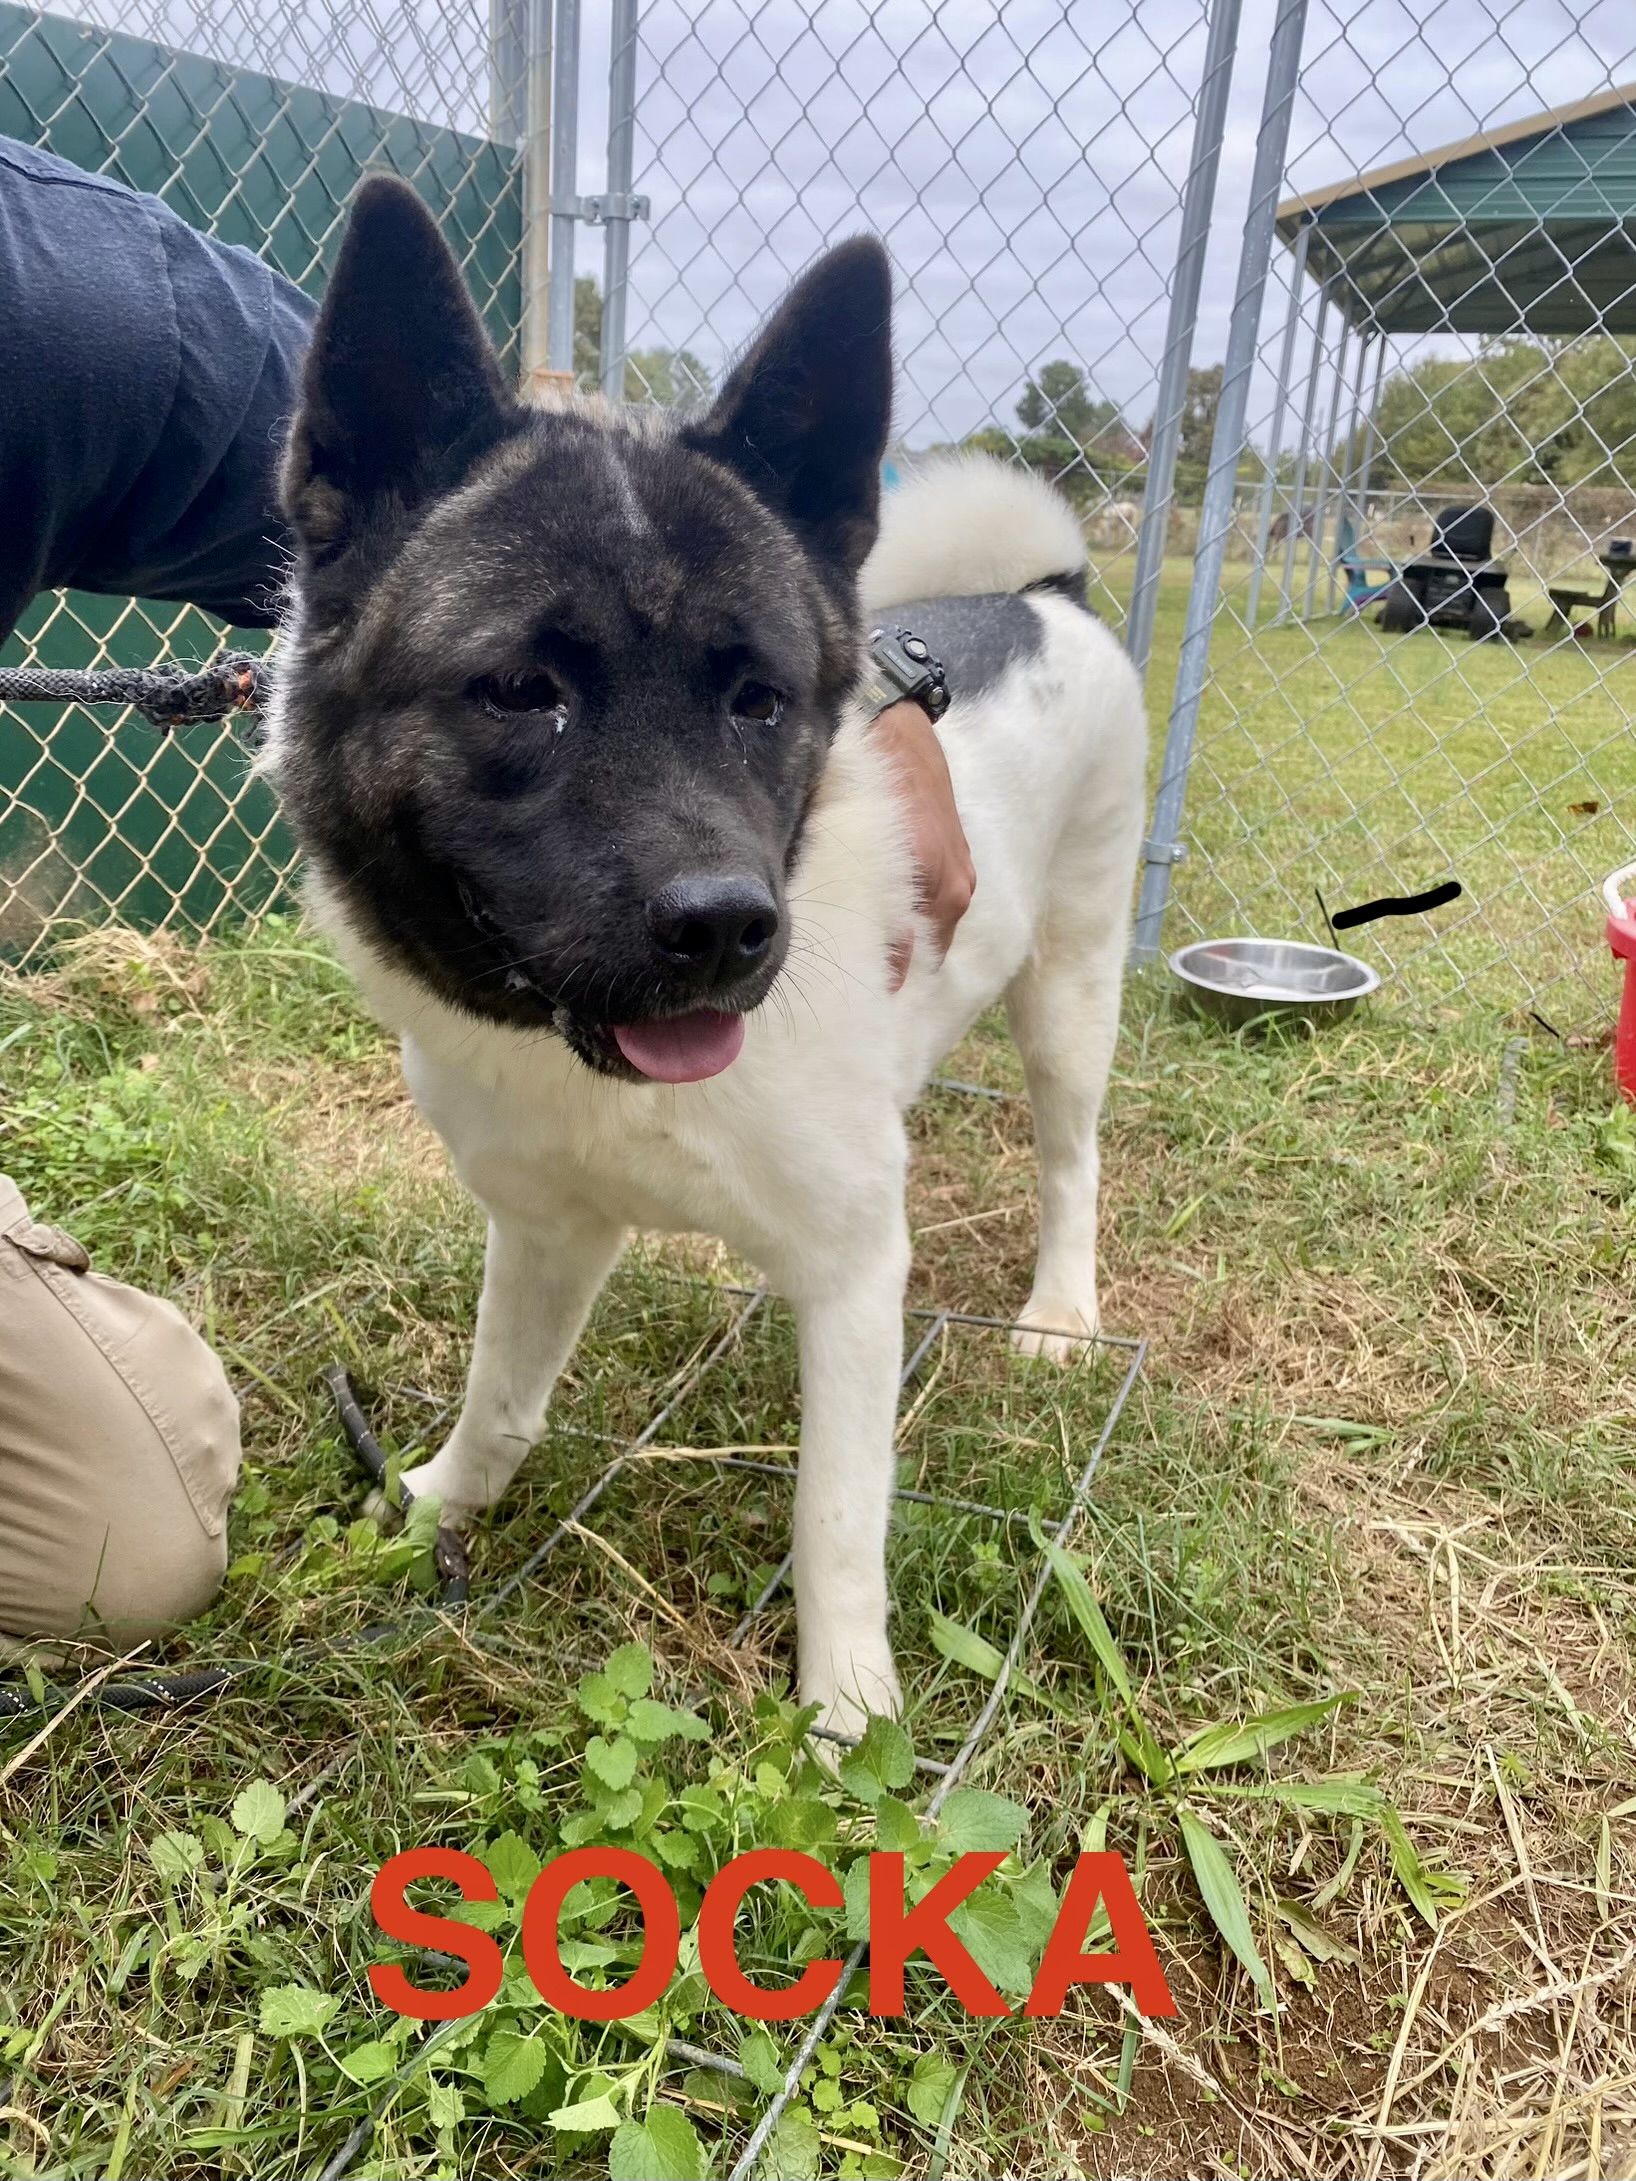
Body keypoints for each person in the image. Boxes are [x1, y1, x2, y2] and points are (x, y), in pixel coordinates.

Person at [0, 137, 974, 1650]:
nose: (715, 879)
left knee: (127, 1533)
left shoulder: (49, 308)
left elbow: (427, 463)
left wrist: (892, 685)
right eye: (526, 687)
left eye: (752, 704)